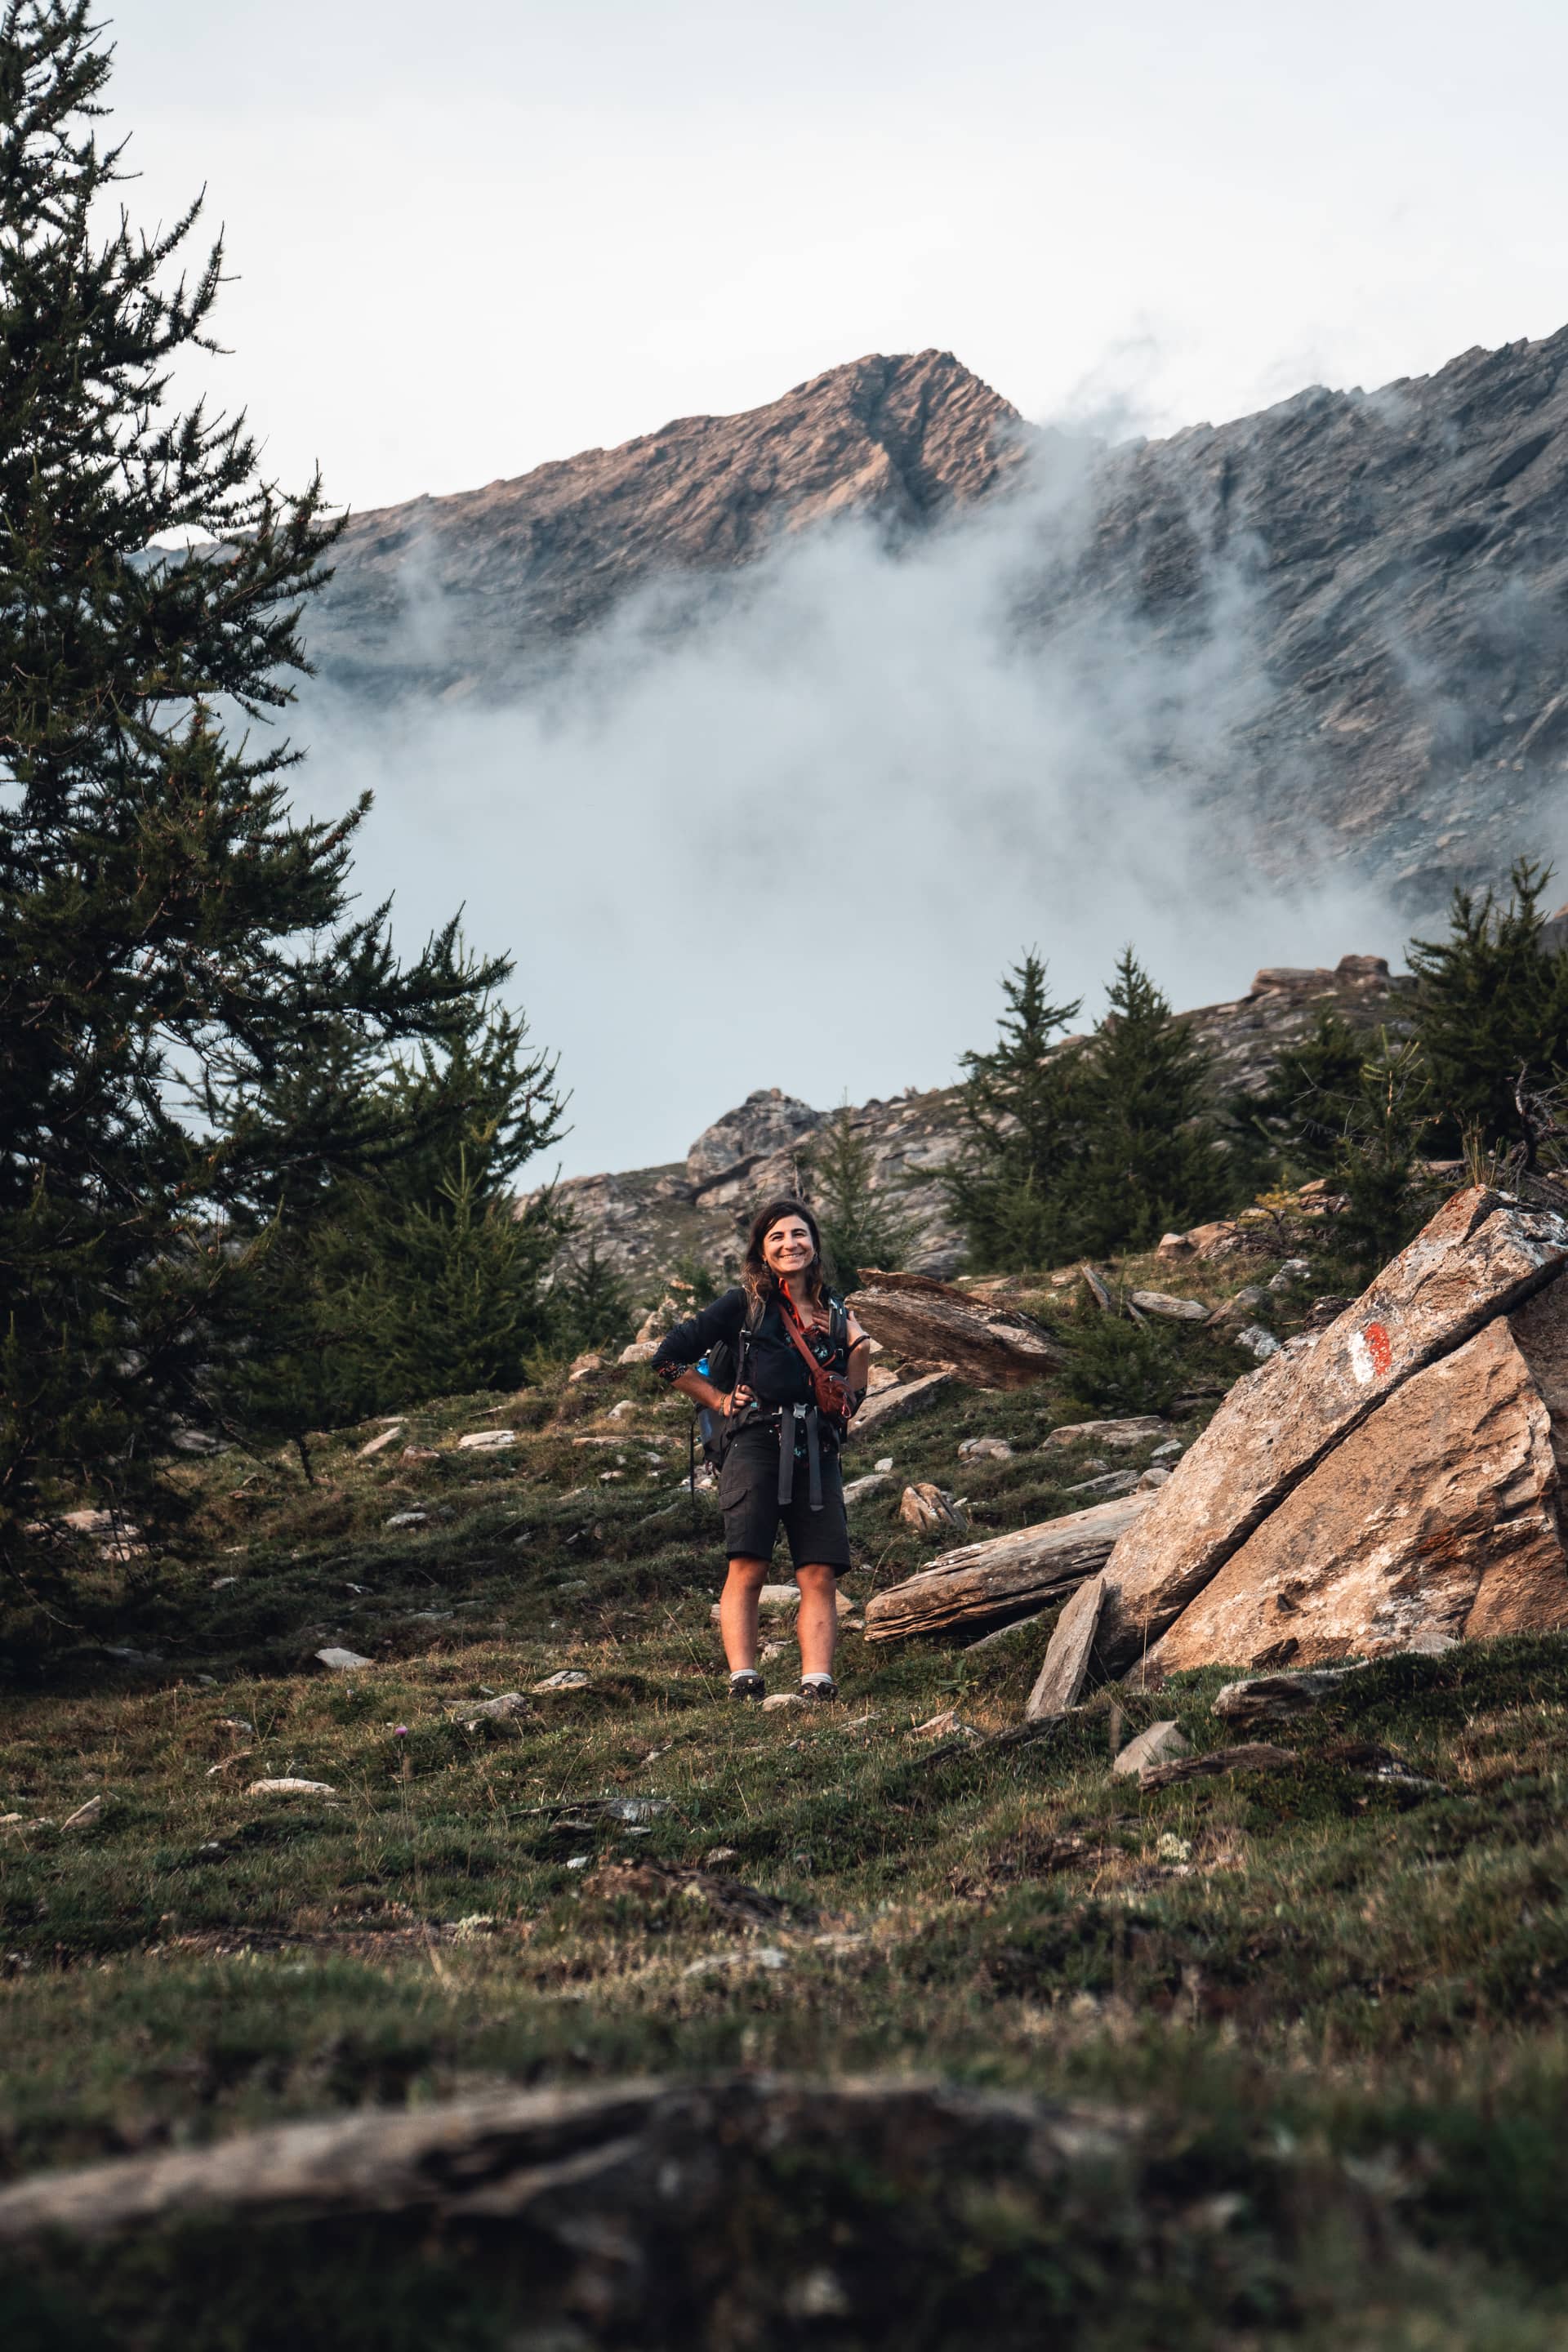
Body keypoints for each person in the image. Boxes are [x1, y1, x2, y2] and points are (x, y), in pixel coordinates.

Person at [653, 1197, 870, 1702]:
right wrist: (720, 1400)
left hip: (817, 1447)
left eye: (798, 1234)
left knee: (818, 1569)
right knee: (748, 1563)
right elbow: (667, 1360)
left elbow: (849, 1403)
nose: (790, 1244)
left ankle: (817, 1679)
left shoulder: (837, 1310)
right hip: (754, 1443)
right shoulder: (742, 1305)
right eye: (777, 1237)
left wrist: (858, 1347)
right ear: (762, 1251)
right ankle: (743, 1677)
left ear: (814, 1244)